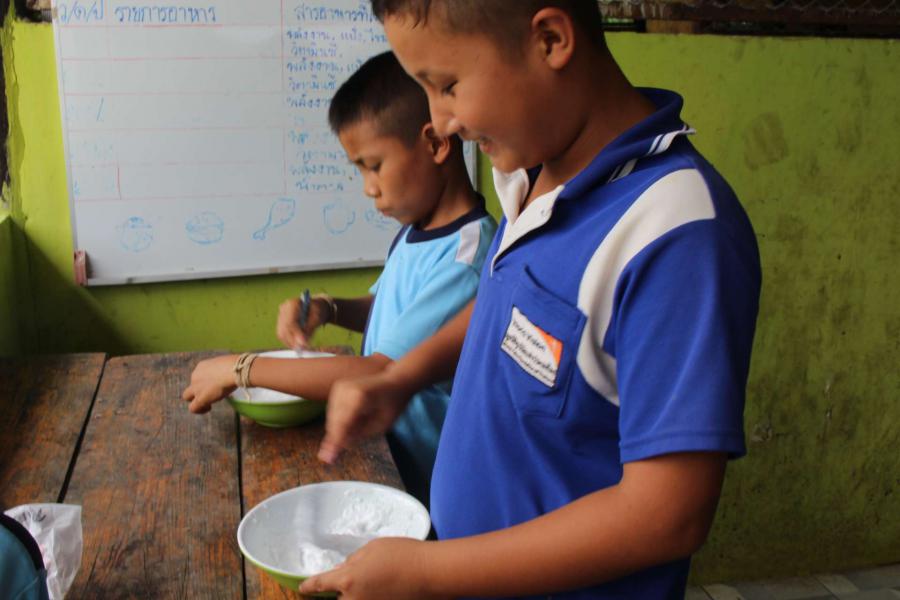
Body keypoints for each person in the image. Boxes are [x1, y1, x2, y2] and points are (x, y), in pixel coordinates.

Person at [298, 1, 762, 599]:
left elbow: (668, 515)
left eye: (447, 86)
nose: (441, 123)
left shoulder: (675, 233)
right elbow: (507, 309)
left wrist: (428, 573)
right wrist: (403, 378)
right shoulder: (532, 176)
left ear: (549, 40)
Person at [181, 50, 497, 506]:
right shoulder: (418, 233)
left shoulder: (465, 259)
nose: (368, 188)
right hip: (383, 458)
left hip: (424, 489)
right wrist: (328, 309)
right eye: (360, 170)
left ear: (435, 145)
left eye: (374, 165)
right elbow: (394, 318)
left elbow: (379, 371)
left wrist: (241, 368)